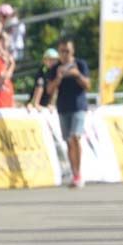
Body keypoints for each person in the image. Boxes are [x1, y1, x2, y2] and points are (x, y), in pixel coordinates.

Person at [46, 40, 91, 188]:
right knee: (68, 141)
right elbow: (49, 90)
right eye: (62, 51)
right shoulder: (55, 68)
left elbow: (88, 86)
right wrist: (59, 77)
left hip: (79, 106)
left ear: (73, 51)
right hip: (63, 107)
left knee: (75, 137)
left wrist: (77, 75)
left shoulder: (80, 64)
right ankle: (75, 173)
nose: (65, 54)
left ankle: (79, 173)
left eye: (67, 51)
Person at [0, 31, 16, 109]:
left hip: (7, 95)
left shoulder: (5, 59)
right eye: (6, 39)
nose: (8, 42)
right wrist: (12, 65)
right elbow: (3, 76)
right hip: (0, 100)